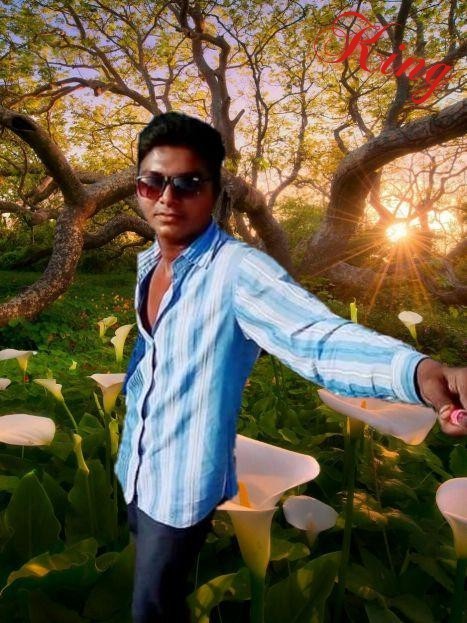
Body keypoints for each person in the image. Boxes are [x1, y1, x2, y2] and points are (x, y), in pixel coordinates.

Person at [115, 111, 467, 623]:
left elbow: (317, 338)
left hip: (179, 488)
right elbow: (150, 350)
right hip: (135, 467)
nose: (167, 197)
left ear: (216, 193)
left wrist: (421, 373)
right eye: (153, 182)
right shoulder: (150, 263)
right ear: (139, 189)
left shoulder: (238, 271)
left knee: (151, 609)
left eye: (188, 183)